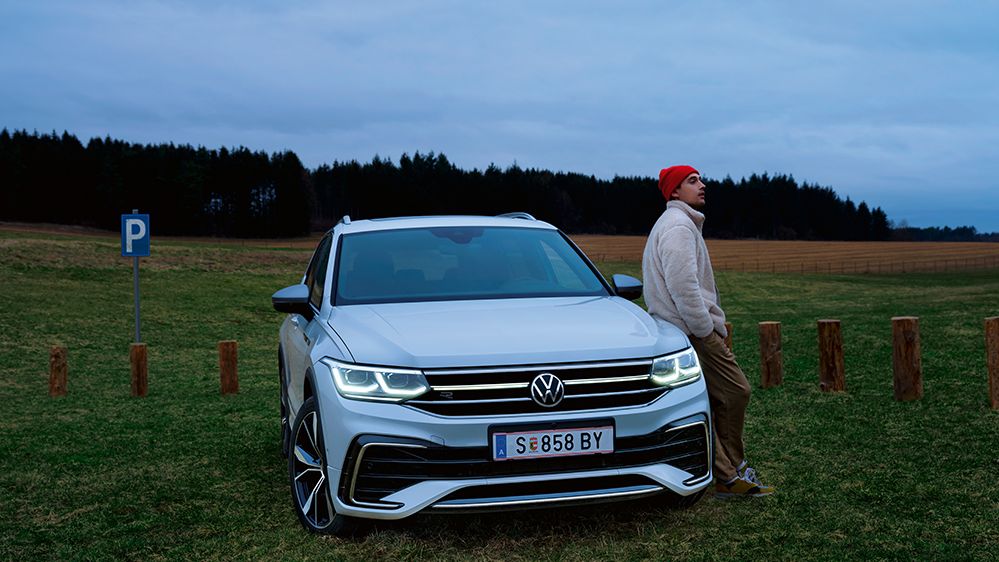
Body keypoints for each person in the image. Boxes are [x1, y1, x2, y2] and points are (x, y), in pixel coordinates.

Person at [641, 165, 775, 498]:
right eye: (692, 181)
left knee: (714, 397)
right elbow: (683, 286)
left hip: (683, 328)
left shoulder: (680, 224)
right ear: (674, 192)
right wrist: (705, 329)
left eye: (700, 179)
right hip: (689, 330)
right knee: (735, 391)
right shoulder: (677, 227)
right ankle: (731, 472)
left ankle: (728, 473)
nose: (703, 185)